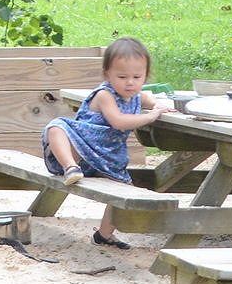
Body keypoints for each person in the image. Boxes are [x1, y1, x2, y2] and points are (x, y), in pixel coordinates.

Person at [42, 37, 173, 249]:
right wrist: (150, 117)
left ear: (145, 76)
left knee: (124, 191)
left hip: (108, 157)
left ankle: (104, 234)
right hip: (82, 150)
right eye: (122, 77)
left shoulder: (137, 95)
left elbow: (152, 99)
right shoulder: (105, 95)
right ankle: (69, 166)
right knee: (56, 126)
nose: (130, 82)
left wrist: (160, 105)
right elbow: (119, 122)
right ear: (107, 75)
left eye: (137, 77)